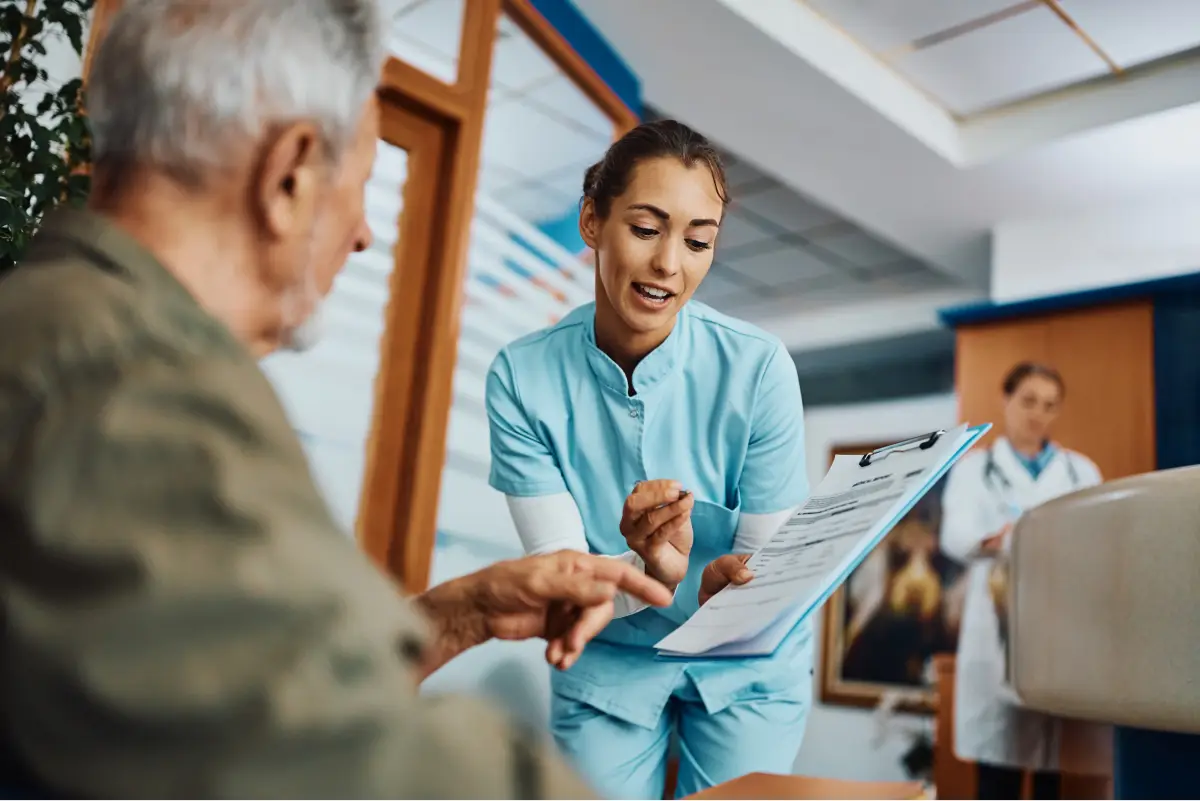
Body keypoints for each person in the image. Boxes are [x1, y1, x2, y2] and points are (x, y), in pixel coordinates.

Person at [0, 1, 766, 796]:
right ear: (290, 173)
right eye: (362, 183)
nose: (363, 232)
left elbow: (238, 675)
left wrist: (458, 613)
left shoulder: (73, 336)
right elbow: (327, 756)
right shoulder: (127, 390)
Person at [485, 119, 813, 799]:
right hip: (609, 660)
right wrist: (654, 569)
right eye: (645, 228)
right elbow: (566, 591)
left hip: (742, 661)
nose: (671, 263)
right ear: (591, 220)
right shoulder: (522, 377)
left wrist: (727, 586)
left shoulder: (757, 369)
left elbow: (764, 566)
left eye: (699, 241)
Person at [940, 362, 1102, 800]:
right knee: (1000, 769)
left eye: (1050, 406)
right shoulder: (975, 468)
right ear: (1006, 400)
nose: (1038, 414)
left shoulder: (1080, 472)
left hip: (1060, 625)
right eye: (1028, 401)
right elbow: (955, 537)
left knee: (1056, 767)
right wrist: (998, 539)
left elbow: (1098, 540)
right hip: (997, 622)